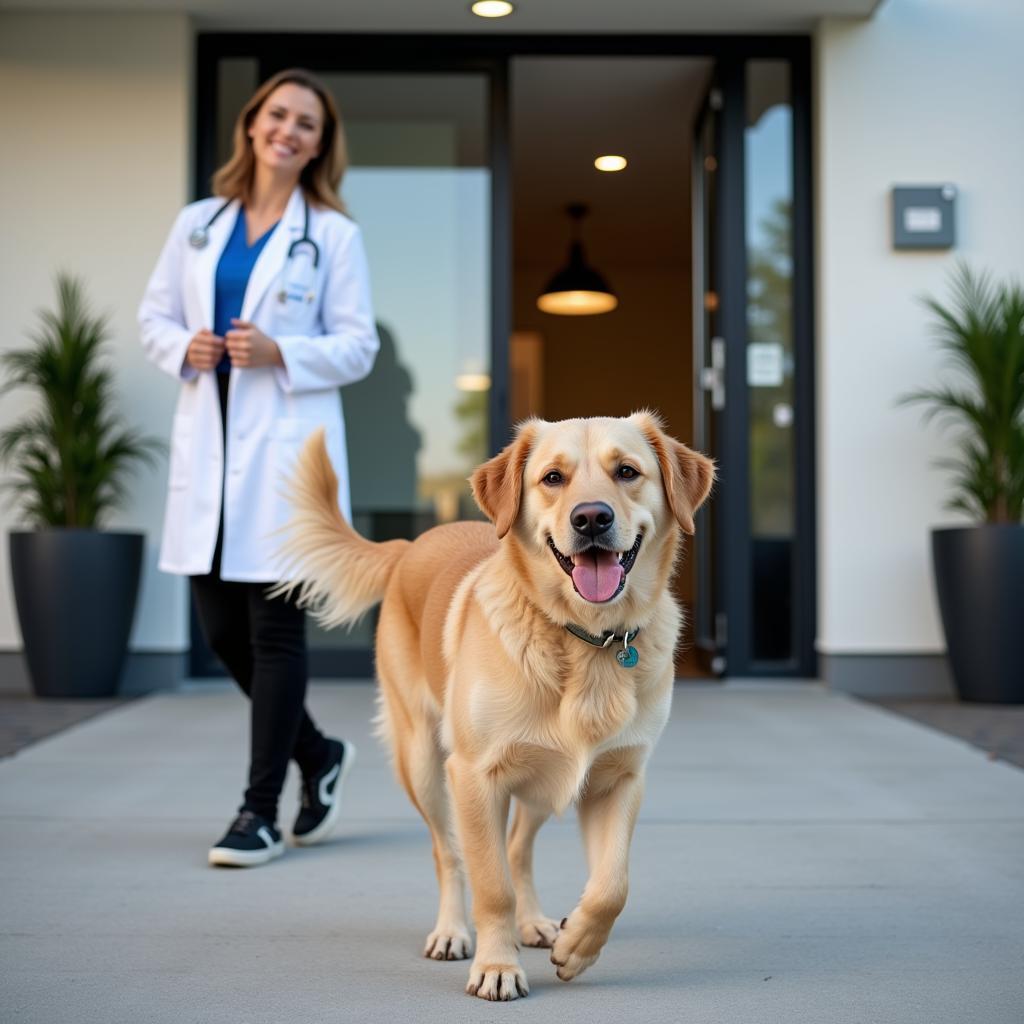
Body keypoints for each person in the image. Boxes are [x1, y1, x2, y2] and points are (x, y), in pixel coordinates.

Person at [138, 69, 379, 867]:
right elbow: (155, 315)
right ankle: (318, 754)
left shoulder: (333, 235)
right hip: (210, 453)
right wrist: (185, 348)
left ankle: (258, 813)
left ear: (319, 144)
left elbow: (358, 345)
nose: (289, 130)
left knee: (275, 634)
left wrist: (283, 352)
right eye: (278, 114)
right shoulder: (199, 223)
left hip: (286, 460)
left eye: (306, 123)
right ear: (252, 125)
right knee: (219, 633)